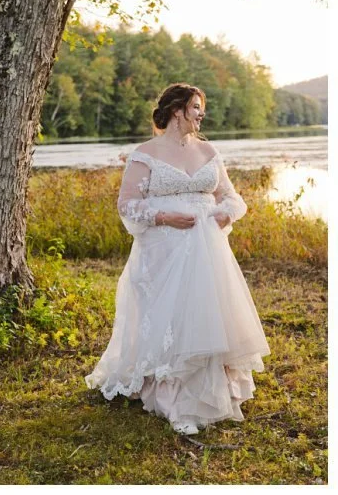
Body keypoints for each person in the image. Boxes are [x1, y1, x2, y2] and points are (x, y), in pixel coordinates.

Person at [85, 83, 270, 435]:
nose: (202, 113)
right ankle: (175, 398)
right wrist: (165, 217)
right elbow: (127, 204)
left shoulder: (208, 150)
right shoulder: (145, 153)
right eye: (196, 107)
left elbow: (232, 197)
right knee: (172, 317)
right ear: (176, 111)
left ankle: (214, 388)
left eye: (202, 107)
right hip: (163, 251)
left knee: (208, 313)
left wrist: (223, 215)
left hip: (208, 250)